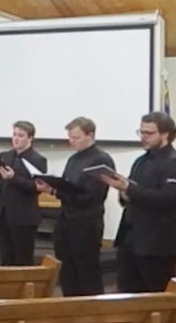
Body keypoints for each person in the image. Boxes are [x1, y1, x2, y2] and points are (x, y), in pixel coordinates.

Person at [100, 112, 176, 293]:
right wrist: (124, 192)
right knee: (127, 295)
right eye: (141, 132)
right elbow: (131, 194)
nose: (143, 137)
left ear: (165, 134)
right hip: (131, 239)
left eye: (148, 133)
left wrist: (129, 188)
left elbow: (168, 199)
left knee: (155, 297)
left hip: (158, 243)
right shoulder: (141, 161)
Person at [35, 117, 113, 296]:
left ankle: (91, 310)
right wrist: (52, 187)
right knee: (67, 269)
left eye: (76, 137)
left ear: (90, 135)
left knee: (86, 270)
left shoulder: (101, 160)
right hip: (66, 219)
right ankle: (71, 306)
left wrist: (55, 192)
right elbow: (67, 186)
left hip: (86, 222)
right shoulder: (74, 159)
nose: (72, 141)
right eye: (70, 137)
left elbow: (92, 196)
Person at [0, 121, 46, 266]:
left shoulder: (37, 159)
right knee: (5, 257)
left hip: (23, 216)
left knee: (22, 259)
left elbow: (37, 187)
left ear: (30, 138)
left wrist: (14, 178)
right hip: (3, 214)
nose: (16, 138)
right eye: (14, 134)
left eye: (21, 135)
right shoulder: (5, 156)